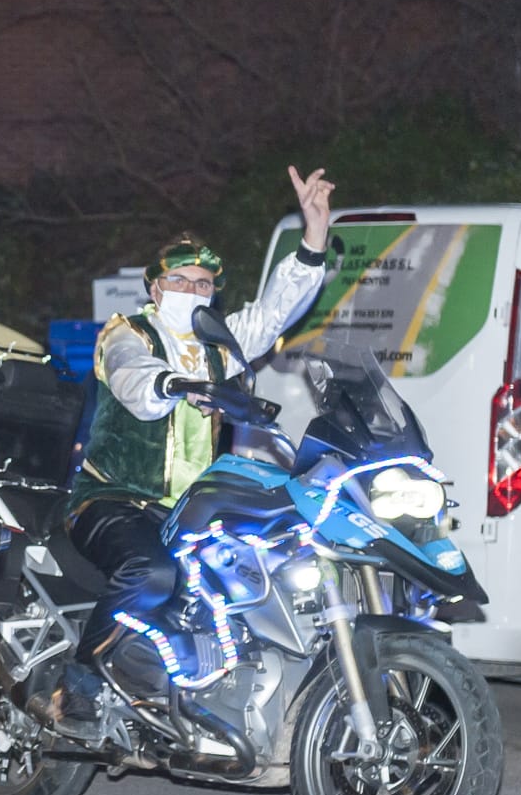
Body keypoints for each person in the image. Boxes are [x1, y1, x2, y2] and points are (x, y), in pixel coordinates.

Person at [37, 167, 335, 740]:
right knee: (151, 572)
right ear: (155, 288)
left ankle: (209, 691)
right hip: (113, 499)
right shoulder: (128, 332)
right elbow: (134, 379)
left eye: (203, 284)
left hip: (191, 510)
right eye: (180, 280)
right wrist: (177, 385)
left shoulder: (219, 342)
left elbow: (276, 310)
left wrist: (314, 234)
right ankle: (78, 684)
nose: (193, 291)